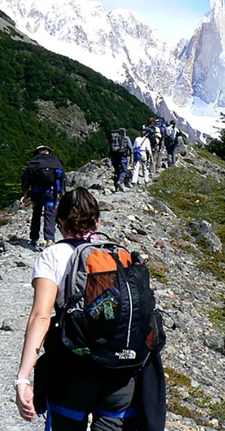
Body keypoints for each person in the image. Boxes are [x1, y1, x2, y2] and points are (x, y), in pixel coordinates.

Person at [16, 188, 164, 431]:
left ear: (60, 222)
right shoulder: (118, 255)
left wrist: (23, 378)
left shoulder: (52, 255)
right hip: (121, 374)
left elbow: (41, 316)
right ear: (97, 223)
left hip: (74, 372)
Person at [20, 145, 65, 247]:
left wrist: (25, 195)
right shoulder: (56, 161)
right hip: (51, 193)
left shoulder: (34, 162)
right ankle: (49, 239)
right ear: (48, 152)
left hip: (37, 193)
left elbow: (26, 179)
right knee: (50, 214)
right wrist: (62, 194)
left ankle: (34, 238)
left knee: (36, 214)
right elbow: (62, 178)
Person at [109, 128, 132, 193]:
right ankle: (120, 181)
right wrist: (131, 157)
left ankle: (116, 188)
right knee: (124, 170)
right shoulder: (126, 138)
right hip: (122, 157)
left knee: (117, 172)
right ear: (123, 132)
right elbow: (130, 147)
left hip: (114, 158)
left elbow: (111, 149)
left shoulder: (114, 139)